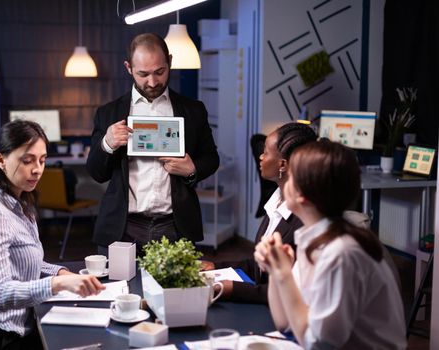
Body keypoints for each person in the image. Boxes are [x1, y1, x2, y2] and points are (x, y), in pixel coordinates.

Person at [0, 120, 105, 350]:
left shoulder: (17, 200)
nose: (37, 169)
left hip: (16, 325)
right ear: (0, 160)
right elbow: (0, 294)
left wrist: (60, 271)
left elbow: (24, 262)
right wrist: (58, 283)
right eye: (27, 160)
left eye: (42, 160)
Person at [254, 140, 406, 349]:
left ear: (301, 195)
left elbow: (319, 344)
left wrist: (283, 274)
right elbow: (285, 323)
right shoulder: (313, 240)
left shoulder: (341, 253)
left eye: (291, 176)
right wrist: (275, 270)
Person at [86, 33, 219, 254]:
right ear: (129, 67)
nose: (153, 82)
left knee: (176, 290)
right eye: (143, 74)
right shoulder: (108, 113)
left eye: (159, 72)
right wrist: (107, 143)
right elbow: (97, 172)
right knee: (117, 288)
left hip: (176, 226)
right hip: (123, 227)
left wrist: (192, 169)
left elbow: (211, 158)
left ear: (170, 62)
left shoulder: (193, 110)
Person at [201, 123, 316, 303]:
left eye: (266, 152)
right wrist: (215, 266)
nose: (261, 157)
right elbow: (259, 267)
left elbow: (291, 291)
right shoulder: (276, 201)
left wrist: (232, 289)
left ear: (283, 164)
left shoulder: (304, 221)